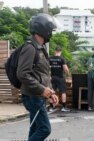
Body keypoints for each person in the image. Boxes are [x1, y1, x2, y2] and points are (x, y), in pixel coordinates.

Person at [17, 13, 59, 141]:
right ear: (43, 29)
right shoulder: (30, 48)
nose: (51, 32)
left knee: (35, 128)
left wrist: (50, 92)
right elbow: (22, 73)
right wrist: (42, 90)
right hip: (32, 96)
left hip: (37, 95)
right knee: (44, 129)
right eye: (50, 29)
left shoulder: (41, 49)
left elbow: (43, 73)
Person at [49, 46, 71, 112]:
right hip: (60, 78)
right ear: (60, 52)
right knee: (63, 92)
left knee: (52, 92)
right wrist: (68, 76)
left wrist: (48, 76)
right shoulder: (62, 59)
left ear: (55, 51)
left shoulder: (50, 58)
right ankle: (64, 107)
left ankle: (51, 107)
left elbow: (46, 68)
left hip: (52, 77)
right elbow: (66, 69)